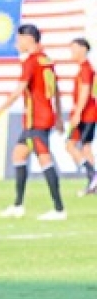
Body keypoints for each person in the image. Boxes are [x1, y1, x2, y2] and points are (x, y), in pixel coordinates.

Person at [0, 24, 66, 220]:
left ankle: (59, 209)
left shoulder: (31, 61)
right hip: (43, 115)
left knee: (44, 159)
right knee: (19, 154)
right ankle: (18, 205)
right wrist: (58, 115)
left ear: (27, 39)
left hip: (36, 119)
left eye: (18, 39)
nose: (16, 43)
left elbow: (19, 90)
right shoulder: (46, 59)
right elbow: (56, 89)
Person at [64, 37, 97, 195]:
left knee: (71, 146)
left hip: (86, 114)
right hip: (86, 113)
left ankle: (92, 175)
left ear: (83, 49)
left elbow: (85, 91)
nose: (71, 52)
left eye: (73, 48)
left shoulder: (85, 69)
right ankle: (93, 182)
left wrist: (77, 113)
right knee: (84, 147)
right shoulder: (84, 68)